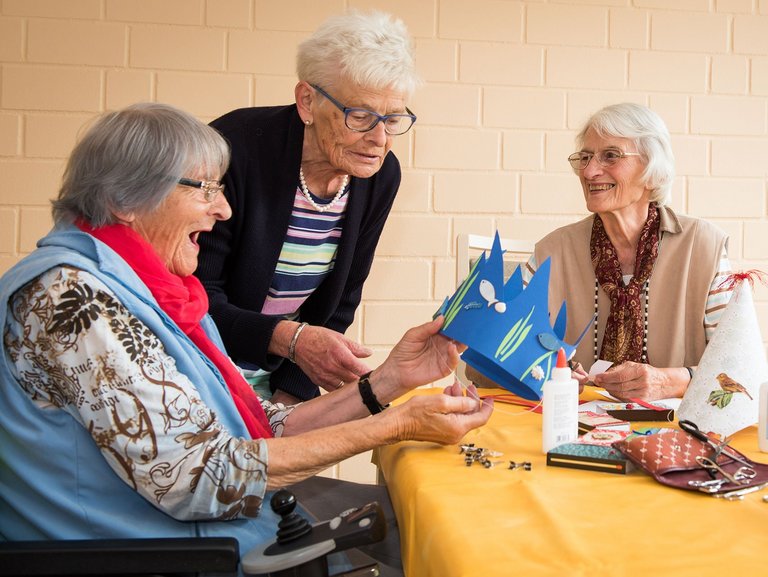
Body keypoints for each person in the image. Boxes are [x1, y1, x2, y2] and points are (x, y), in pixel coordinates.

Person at [0, 103, 492, 572]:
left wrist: (389, 381)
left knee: (442, 532)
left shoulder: (154, 292)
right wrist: (395, 426)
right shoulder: (74, 301)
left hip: (207, 534)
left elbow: (253, 427)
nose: (223, 210)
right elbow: (197, 477)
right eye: (204, 189)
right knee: (447, 546)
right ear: (124, 200)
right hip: (157, 555)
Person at [195, 10, 420, 404]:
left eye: (393, 119)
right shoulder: (233, 149)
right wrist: (292, 340)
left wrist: (291, 397)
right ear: (307, 101)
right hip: (198, 372)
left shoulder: (379, 176)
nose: (380, 139)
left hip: (275, 377)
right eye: (361, 116)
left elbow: (341, 299)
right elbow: (195, 296)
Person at [467, 103, 732, 401]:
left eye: (610, 156)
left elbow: (739, 368)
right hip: (569, 429)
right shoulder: (551, 253)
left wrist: (672, 381)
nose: (590, 171)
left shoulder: (704, 248)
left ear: (652, 171)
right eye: (585, 157)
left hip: (674, 435)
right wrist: (544, 369)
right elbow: (481, 366)